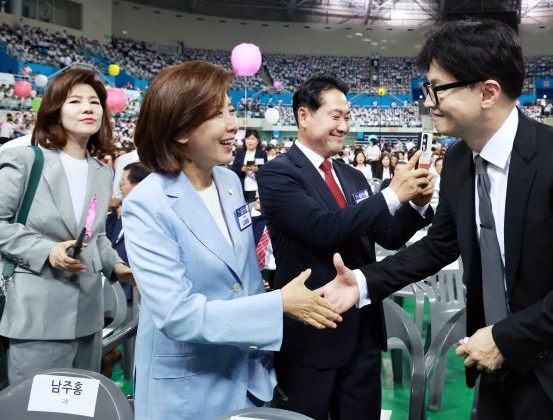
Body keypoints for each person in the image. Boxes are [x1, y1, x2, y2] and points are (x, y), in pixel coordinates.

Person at [317, 19, 553, 419]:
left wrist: (504, 337)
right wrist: (363, 282)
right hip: (495, 372)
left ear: (488, 92)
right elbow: (440, 245)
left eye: (438, 87)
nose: (428, 99)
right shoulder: (457, 160)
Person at [121, 61, 341, 420]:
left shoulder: (229, 183)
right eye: (216, 114)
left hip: (246, 374)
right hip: (188, 388)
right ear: (179, 130)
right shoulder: (147, 204)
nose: (233, 124)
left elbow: (245, 277)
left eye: (232, 110)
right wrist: (277, 305)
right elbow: (177, 316)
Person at [258, 74, 434, 420]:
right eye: (335, 116)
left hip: (363, 330)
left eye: (347, 117)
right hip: (313, 336)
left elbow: (389, 236)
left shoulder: (351, 176)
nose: (343, 126)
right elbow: (321, 229)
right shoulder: (278, 174)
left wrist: (416, 205)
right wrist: (391, 194)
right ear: (303, 116)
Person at [0, 68, 135, 385]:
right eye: (75, 101)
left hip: (88, 315)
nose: (88, 108)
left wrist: (117, 267)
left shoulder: (101, 172)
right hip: (35, 314)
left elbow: (95, 234)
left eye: (94, 102)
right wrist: (47, 251)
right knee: (34, 409)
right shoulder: (25, 161)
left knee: (78, 405)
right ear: (54, 109)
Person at [106, 162, 150, 299]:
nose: (120, 188)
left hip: (136, 292)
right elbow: (110, 241)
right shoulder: (123, 212)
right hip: (116, 290)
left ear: (137, 185)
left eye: (122, 184)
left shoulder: (150, 218)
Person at [231, 129, 268, 203]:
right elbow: (233, 171)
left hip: (256, 188)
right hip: (242, 188)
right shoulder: (240, 154)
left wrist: (257, 170)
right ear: (245, 140)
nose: (250, 141)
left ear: (257, 141)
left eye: (252, 139)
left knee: (253, 210)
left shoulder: (261, 154)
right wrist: (242, 170)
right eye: (247, 139)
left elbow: (266, 171)